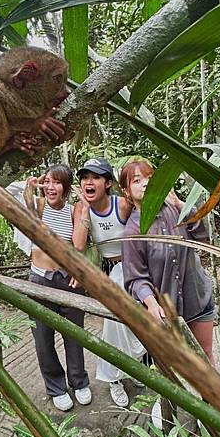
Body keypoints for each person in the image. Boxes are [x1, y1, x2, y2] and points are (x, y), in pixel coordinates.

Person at [121, 158, 215, 363]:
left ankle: (211, 397)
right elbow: (136, 279)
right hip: (167, 313)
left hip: (198, 299)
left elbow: (204, 238)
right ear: (126, 191)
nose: (145, 183)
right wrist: (151, 304)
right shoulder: (133, 232)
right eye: (136, 180)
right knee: (176, 368)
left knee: (205, 359)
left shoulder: (176, 210)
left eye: (150, 178)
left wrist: (182, 205)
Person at [73, 158, 146, 407]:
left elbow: (144, 222)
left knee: (136, 326)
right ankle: (113, 378)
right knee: (113, 326)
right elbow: (79, 245)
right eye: (84, 178)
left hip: (136, 268)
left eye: (95, 177)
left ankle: (133, 369)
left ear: (108, 183)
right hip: (111, 272)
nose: (88, 182)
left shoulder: (122, 205)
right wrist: (84, 210)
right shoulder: (82, 209)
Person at [20, 164, 92, 411]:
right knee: (43, 338)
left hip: (68, 281)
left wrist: (84, 207)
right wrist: (31, 188)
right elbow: (26, 206)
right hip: (40, 280)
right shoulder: (38, 206)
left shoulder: (73, 210)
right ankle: (56, 387)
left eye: (57, 182)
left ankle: (79, 381)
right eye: (48, 181)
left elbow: (79, 246)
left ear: (67, 187)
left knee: (74, 335)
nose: (51, 187)